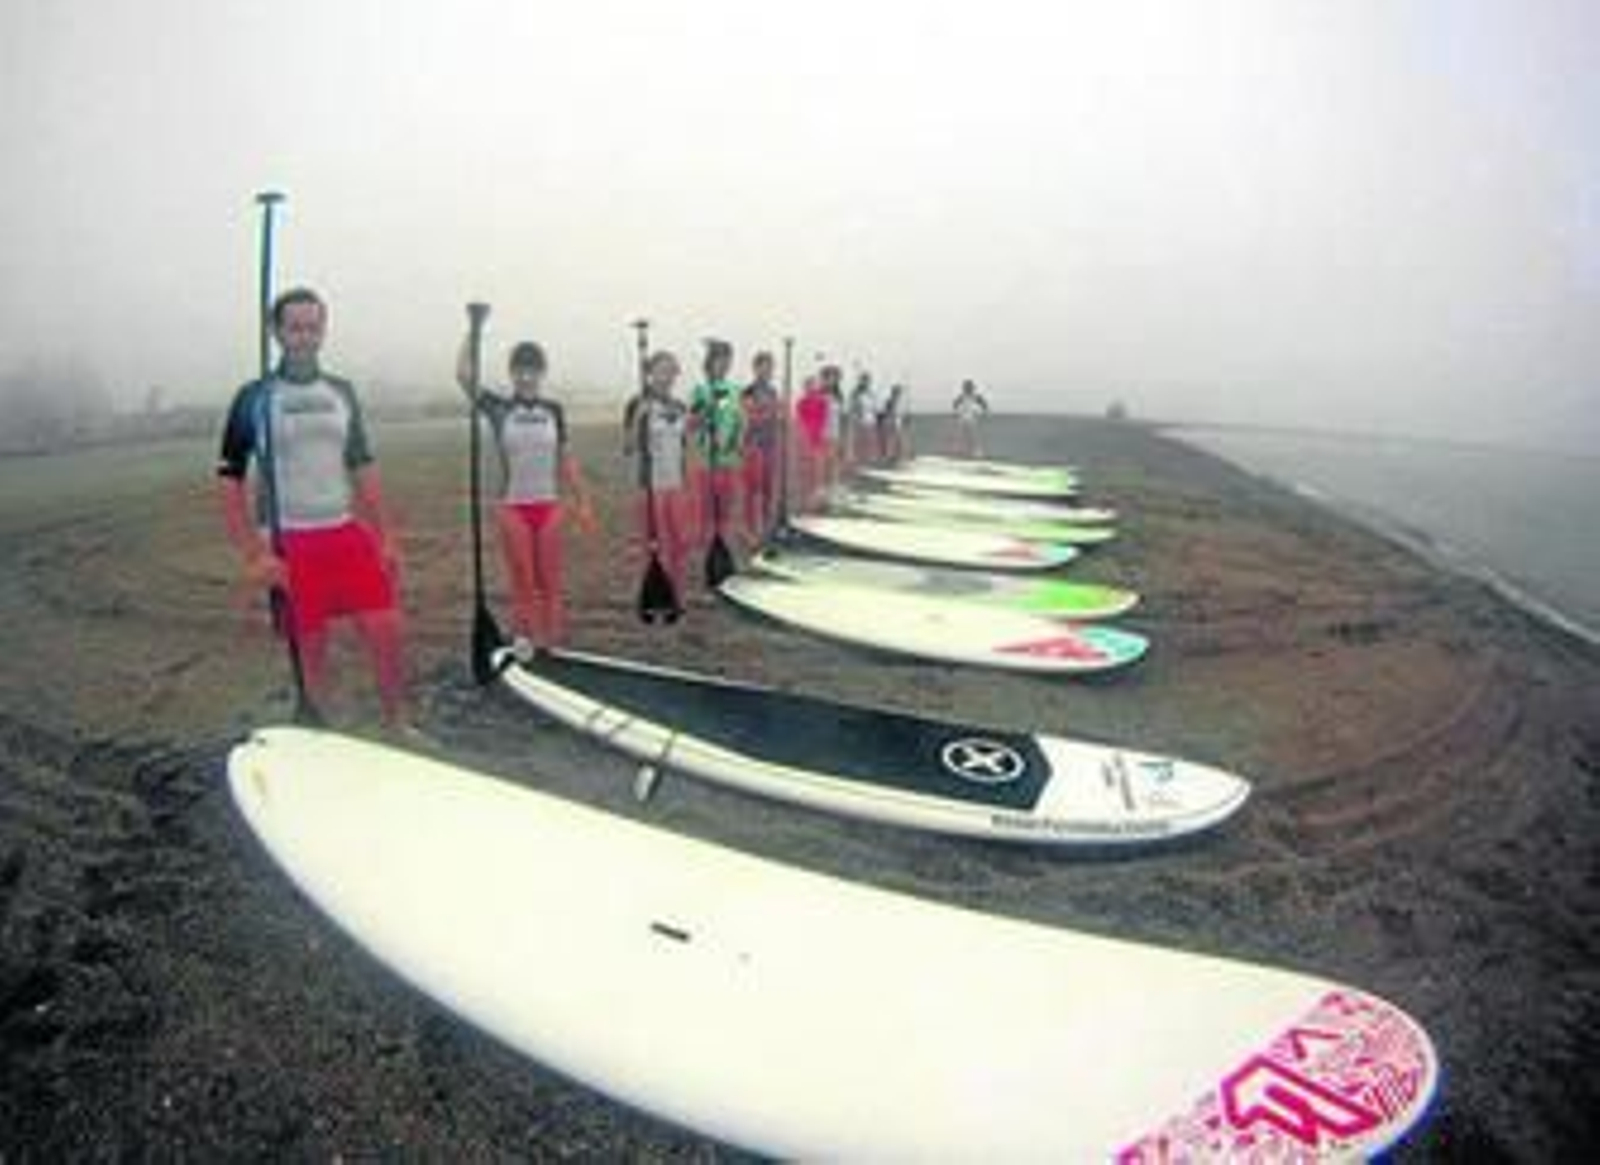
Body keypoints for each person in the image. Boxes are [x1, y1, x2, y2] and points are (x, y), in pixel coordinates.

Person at [216, 287, 410, 729]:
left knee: (387, 631)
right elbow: (229, 479)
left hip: (343, 532)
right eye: (295, 328)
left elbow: (361, 464)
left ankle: (398, 724)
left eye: (313, 327)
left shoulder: (342, 391)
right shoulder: (255, 397)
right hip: (288, 541)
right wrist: (254, 554)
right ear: (277, 332)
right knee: (312, 647)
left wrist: (388, 536)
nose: (305, 337)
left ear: (324, 329)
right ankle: (322, 730)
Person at [456, 337, 596, 654]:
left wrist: (583, 500)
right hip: (512, 508)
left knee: (549, 582)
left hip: (549, 507)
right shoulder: (498, 407)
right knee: (523, 581)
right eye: (519, 370)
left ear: (542, 372)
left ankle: (550, 644)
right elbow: (463, 374)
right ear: (511, 373)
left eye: (532, 370)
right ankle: (525, 641)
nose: (526, 376)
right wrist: (474, 332)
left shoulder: (554, 411)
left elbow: (566, 458)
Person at [625, 351, 693, 593]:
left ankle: (676, 589)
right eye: (661, 370)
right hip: (651, 487)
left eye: (671, 371)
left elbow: (684, 446)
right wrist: (638, 418)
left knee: (681, 543)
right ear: (650, 373)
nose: (666, 376)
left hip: (676, 485)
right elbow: (628, 448)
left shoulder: (680, 407)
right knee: (655, 545)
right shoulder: (638, 403)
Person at [689, 339, 746, 550]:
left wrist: (739, 442)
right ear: (709, 363)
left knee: (726, 508)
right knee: (707, 510)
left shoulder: (733, 390)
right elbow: (693, 424)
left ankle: (722, 545)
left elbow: (739, 420)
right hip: (707, 461)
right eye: (719, 360)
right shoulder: (700, 390)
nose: (723, 365)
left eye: (727, 360)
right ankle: (707, 546)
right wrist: (705, 409)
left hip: (729, 460)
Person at [740, 350, 782, 541]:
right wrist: (767, 414)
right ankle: (749, 529)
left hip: (770, 446)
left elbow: (777, 415)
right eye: (763, 366)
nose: (767, 371)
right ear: (755, 368)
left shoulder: (773, 392)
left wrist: (776, 417)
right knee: (751, 489)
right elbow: (749, 416)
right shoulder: (748, 391)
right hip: (753, 446)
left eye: (770, 367)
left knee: (767, 488)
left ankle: (766, 525)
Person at [795, 364, 840, 510]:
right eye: (829, 377)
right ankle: (814, 499)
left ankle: (828, 498)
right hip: (821, 437)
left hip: (833, 435)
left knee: (831, 468)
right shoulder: (817, 397)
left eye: (835, 377)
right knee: (817, 469)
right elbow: (809, 418)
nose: (832, 380)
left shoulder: (838, 396)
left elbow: (837, 418)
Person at [951, 378, 990, 456]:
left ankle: (977, 453)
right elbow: (955, 405)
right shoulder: (962, 397)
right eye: (966, 387)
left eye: (968, 387)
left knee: (973, 438)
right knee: (961, 437)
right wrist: (957, 413)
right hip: (963, 419)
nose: (967, 389)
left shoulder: (975, 397)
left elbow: (984, 405)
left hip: (971, 420)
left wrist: (982, 412)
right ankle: (960, 452)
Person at [848, 371, 879, 467]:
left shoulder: (870, 393)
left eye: (868, 380)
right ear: (860, 381)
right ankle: (859, 459)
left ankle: (869, 459)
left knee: (871, 440)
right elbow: (853, 407)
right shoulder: (856, 393)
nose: (866, 382)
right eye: (864, 380)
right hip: (861, 420)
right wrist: (857, 416)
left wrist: (875, 416)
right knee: (860, 441)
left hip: (871, 419)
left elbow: (874, 406)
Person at [877, 383, 910, 464]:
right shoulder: (890, 401)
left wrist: (905, 420)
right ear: (893, 392)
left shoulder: (901, 402)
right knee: (892, 440)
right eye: (896, 392)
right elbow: (887, 411)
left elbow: (903, 413)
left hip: (898, 423)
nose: (897, 394)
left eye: (898, 392)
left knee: (900, 439)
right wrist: (882, 419)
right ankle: (890, 456)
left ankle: (900, 455)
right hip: (892, 423)